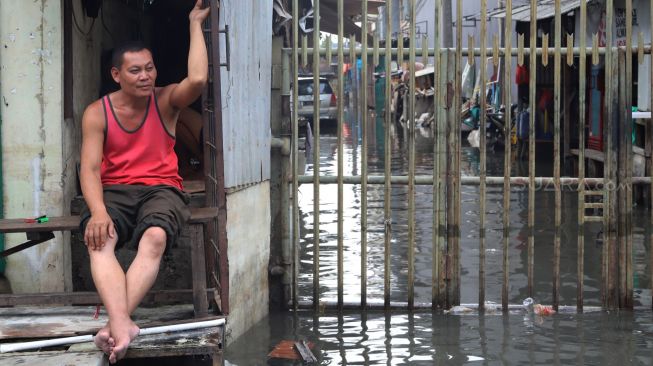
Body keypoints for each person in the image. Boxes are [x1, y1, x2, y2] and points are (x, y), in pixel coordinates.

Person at [78, 0, 209, 363]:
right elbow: (89, 169)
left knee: (154, 237)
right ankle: (123, 324)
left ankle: (115, 324)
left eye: (149, 68)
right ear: (117, 75)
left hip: (162, 189)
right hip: (114, 191)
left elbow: (196, 80)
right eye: (135, 71)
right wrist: (98, 211)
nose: (145, 76)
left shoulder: (166, 100)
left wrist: (195, 23)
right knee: (98, 238)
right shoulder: (97, 112)